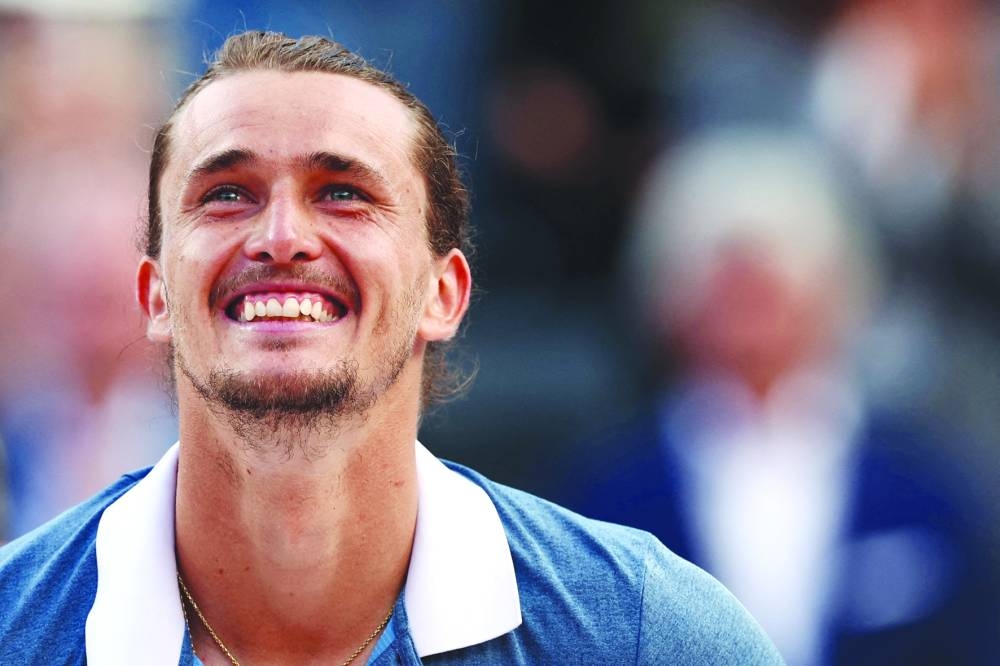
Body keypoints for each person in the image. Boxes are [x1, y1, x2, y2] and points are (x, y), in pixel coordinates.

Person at [0, 31, 780, 665]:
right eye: (227, 193)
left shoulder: (646, 634)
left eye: (343, 192)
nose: (280, 238)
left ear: (445, 294)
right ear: (156, 295)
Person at [551, 128, 999, 665]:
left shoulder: (928, 486)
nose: (748, 288)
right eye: (718, 268)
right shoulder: (601, 494)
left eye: (778, 265)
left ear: (836, 284)